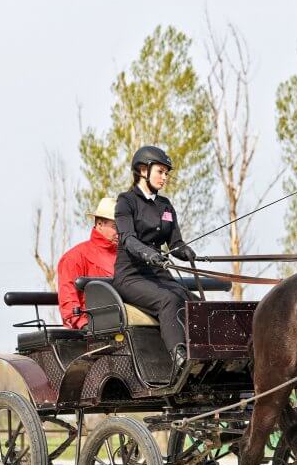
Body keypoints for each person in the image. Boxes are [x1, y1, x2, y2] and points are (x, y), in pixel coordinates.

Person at [112, 145, 197, 372]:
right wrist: (148, 253)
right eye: (160, 171)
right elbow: (128, 239)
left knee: (194, 301)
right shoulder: (126, 201)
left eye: (166, 173)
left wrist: (185, 251)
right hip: (131, 275)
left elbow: (175, 244)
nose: (164, 177)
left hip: (157, 273)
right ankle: (180, 358)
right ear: (143, 170)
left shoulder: (165, 205)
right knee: (168, 299)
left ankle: (206, 352)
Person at [56, 197, 119, 329]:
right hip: (95, 328)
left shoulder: (126, 257)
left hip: (126, 323)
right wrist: (84, 325)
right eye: (115, 227)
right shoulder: (74, 257)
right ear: (99, 224)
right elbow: (69, 300)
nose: (119, 232)